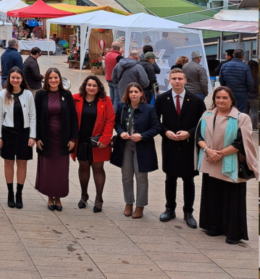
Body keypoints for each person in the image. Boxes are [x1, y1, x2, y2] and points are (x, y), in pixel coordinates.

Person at [195, 86, 258, 244]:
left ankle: (233, 232)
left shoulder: (242, 118)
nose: (221, 100)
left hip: (231, 164)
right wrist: (209, 151)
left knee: (232, 200)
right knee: (213, 196)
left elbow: (241, 143)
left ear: (231, 100)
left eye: (225, 98)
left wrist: (219, 154)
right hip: (211, 161)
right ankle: (213, 226)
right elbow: (198, 137)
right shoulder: (207, 115)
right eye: (218, 97)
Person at [155, 68, 206, 228]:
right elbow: (155, 121)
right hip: (170, 144)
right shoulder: (162, 99)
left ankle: (188, 212)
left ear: (185, 80)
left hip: (188, 145)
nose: (177, 81)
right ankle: (169, 209)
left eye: (180, 78)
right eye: (174, 78)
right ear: (169, 80)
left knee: (188, 179)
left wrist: (189, 133)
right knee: (170, 178)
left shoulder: (196, 100)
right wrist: (165, 132)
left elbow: (203, 122)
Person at [110, 82, 161, 219]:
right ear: (127, 94)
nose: (133, 94)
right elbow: (117, 123)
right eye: (131, 92)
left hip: (142, 146)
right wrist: (121, 132)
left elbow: (156, 128)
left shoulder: (149, 109)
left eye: (136, 92)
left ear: (141, 93)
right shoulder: (121, 107)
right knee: (126, 176)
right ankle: (128, 203)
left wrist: (142, 136)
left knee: (141, 176)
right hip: (125, 145)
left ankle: (140, 206)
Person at [34, 67, 78, 212]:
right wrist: (37, 137)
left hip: (63, 139)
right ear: (46, 80)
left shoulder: (66, 94)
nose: (53, 80)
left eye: (56, 77)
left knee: (60, 170)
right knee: (48, 170)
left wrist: (73, 138)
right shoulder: (40, 95)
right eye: (50, 78)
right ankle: (49, 196)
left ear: (60, 79)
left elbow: (73, 117)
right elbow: (35, 117)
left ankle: (58, 197)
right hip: (46, 138)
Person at [72, 76, 115, 213]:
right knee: (83, 167)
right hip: (81, 139)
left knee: (98, 168)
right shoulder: (76, 98)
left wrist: (106, 139)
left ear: (99, 87)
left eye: (94, 85)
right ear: (85, 86)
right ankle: (84, 195)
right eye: (89, 85)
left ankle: (99, 198)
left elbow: (110, 120)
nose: (91, 88)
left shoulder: (105, 100)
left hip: (98, 140)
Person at [0, 67, 36, 209]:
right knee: (9, 163)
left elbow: (33, 116)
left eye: (18, 78)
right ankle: (10, 192)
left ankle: (19, 193)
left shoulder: (28, 94)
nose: (15, 80)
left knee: (22, 163)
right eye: (13, 77)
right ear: (9, 79)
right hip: (8, 132)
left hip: (24, 133)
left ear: (22, 79)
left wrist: (32, 136)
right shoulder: (3, 94)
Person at [218, 48, 252, 113]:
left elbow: (221, 79)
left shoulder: (224, 66)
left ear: (233, 55)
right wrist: (248, 91)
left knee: (228, 110)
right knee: (239, 111)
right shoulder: (246, 67)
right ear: (243, 56)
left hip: (228, 91)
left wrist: (225, 87)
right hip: (241, 93)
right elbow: (250, 81)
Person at [105, 42, 124, 113]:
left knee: (111, 98)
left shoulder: (107, 55)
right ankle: (114, 114)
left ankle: (109, 112)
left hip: (108, 78)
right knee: (117, 99)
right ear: (119, 48)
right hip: (116, 79)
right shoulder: (118, 57)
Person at [247, 60, 259, 130]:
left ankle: (244, 126)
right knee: (254, 112)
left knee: (244, 112)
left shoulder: (246, 74)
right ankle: (253, 127)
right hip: (256, 96)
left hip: (246, 95)